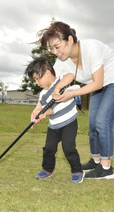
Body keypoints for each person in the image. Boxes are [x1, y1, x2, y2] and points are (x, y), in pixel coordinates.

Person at [34, 21, 114, 179]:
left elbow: (97, 82)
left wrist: (72, 93)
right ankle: (95, 160)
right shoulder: (62, 62)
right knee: (93, 124)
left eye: (57, 46)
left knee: (102, 122)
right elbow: (51, 87)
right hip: (97, 84)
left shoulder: (91, 48)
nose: (55, 52)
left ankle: (106, 169)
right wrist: (38, 109)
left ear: (70, 40)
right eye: (52, 49)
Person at [25, 55, 84, 183]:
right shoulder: (43, 94)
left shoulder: (61, 80)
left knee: (68, 148)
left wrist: (57, 89)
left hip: (69, 122)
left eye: (37, 79)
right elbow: (40, 107)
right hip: (54, 125)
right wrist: (36, 113)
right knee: (49, 148)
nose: (37, 83)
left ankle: (77, 170)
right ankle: (47, 169)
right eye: (34, 80)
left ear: (47, 73)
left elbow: (71, 76)